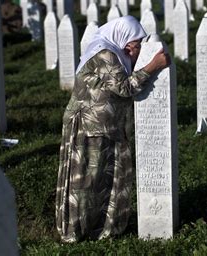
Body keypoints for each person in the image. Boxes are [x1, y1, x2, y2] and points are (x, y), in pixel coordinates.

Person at [55, 16, 171, 242]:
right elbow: (124, 87)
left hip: (107, 126)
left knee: (105, 179)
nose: (136, 50)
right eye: (135, 45)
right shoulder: (105, 54)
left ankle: (102, 227)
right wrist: (152, 66)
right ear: (124, 39)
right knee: (87, 181)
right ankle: (77, 230)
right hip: (89, 127)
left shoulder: (115, 53)